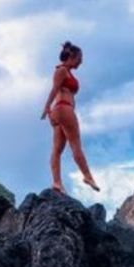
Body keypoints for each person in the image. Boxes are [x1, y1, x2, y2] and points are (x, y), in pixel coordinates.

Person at [40, 40, 100, 194]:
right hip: (64, 108)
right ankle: (87, 176)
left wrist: (49, 109)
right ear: (72, 57)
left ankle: (57, 183)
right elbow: (54, 89)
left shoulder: (66, 71)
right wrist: (46, 107)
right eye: (80, 58)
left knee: (57, 149)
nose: (81, 61)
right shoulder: (61, 71)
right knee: (75, 144)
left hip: (58, 110)